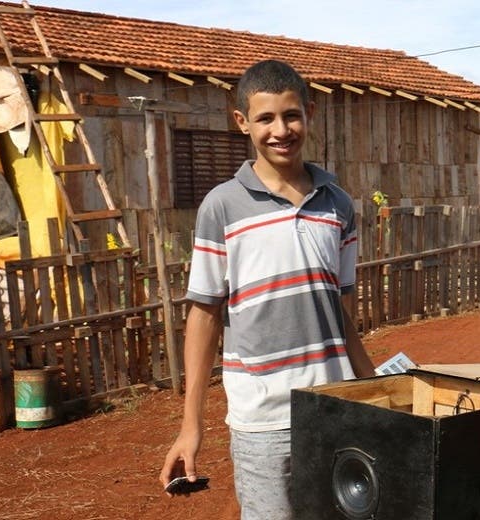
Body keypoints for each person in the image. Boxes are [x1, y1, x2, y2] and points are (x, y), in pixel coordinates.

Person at [159, 59, 376, 519]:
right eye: (265, 118)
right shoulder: (222, 206)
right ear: (242, 123)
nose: (281, 129)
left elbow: (343, 312)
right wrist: (190, 426)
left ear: (309, 114)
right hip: (262, 419)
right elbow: (204, 315)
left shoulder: (337, 204)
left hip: (333, 405)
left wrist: (376, 390)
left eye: (291, 115)